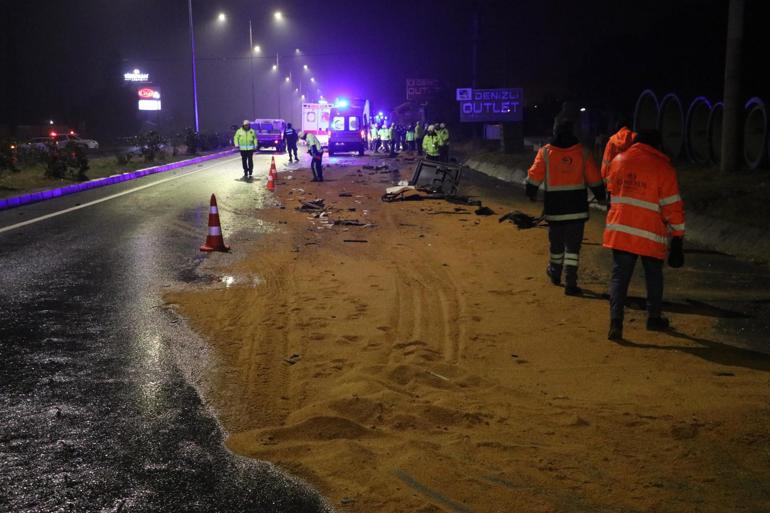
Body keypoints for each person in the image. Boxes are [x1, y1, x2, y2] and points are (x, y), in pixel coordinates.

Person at [603, 130, 685, 341]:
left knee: (620, 277)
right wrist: (677, 237)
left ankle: (615, 323)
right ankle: (653, 317)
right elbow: (672, 206)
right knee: (653, 276)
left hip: (621, 231)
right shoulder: (663, 168)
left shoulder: (619, 160)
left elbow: (611, 191)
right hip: (650, 233)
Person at [526, 120, 606, 296]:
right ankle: (571, 282)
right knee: (573, 248)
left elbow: (534, 176)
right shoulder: (583, 153)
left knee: (556, 245)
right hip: (577, 210)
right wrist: (601, 196)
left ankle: (555, 273)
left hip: (555, 210)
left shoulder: (546, 152)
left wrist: (531, 193)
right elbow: (594, 178)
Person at [601, 117, 636, 186]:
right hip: (634, 181)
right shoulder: (636, 138)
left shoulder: (612, 141)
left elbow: (606, 162)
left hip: (614, 181)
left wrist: (605, 181)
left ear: (617, 127)